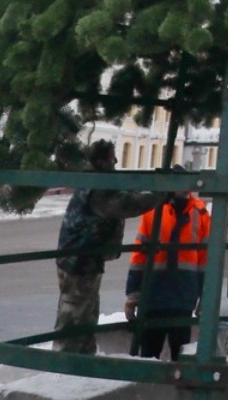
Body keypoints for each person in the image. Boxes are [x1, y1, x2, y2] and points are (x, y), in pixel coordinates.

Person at [54, 139, 161, 355]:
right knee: (75, 311)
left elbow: (125, 196)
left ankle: (81, 357)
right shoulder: (97, 189)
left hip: (82, 258)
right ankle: (65, 359)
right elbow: (125, 205)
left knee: (85, 310)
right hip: (79, 259)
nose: (116, 161)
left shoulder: (96, 182)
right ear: (101, 161)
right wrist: (159, 195)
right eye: (112, 158)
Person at [124, 177, 210, 361]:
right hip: (155, 295)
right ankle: (148, 388)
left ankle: (179, 389)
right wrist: (133, 294)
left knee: (181, 356)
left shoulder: (200, 213)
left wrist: (205, 296)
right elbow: (140, 255)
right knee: (149, 355)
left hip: (183, 297)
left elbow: (205, 260)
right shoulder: (153, 211)